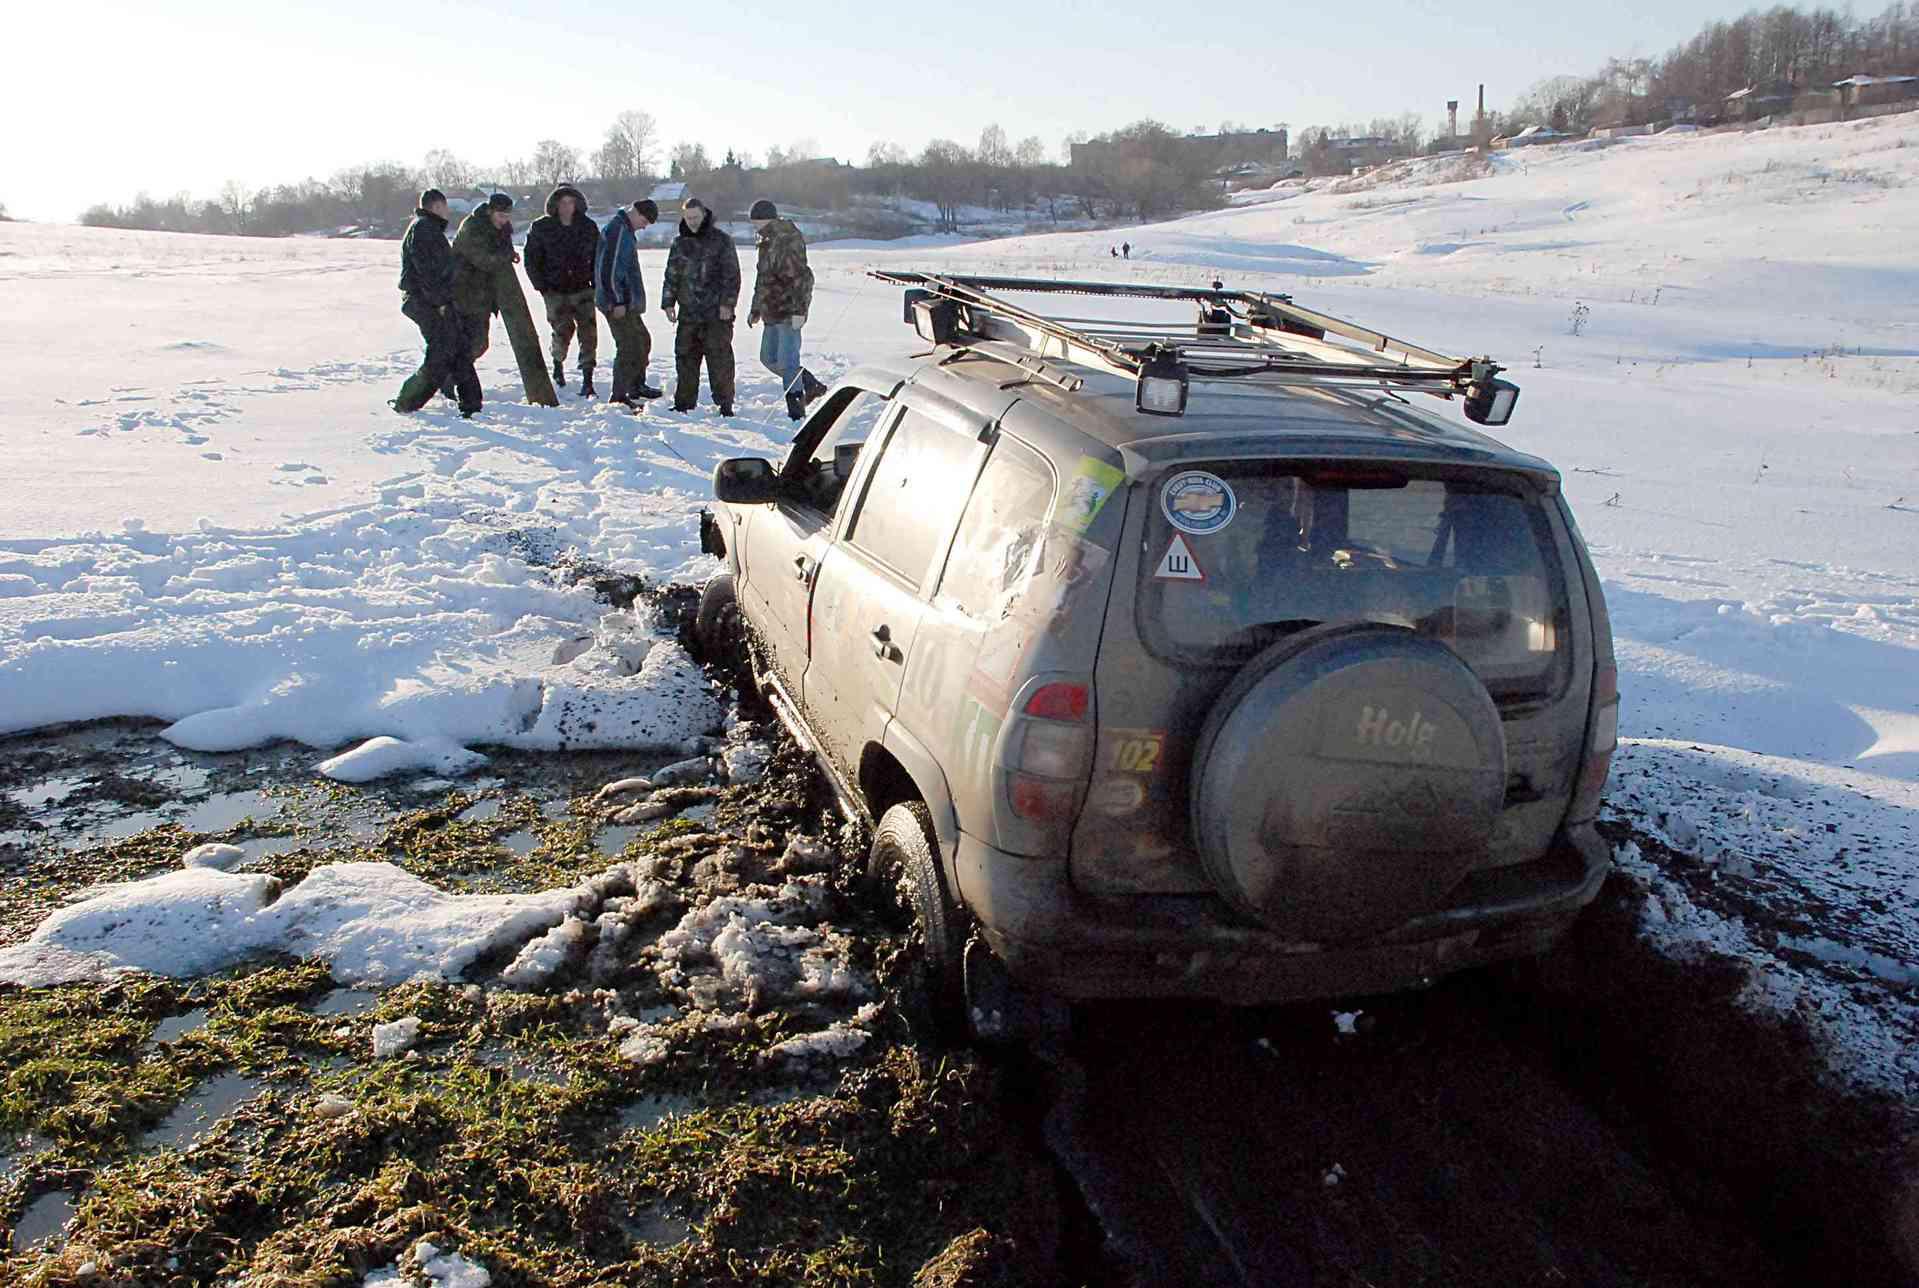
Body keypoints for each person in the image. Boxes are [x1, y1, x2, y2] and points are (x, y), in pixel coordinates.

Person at [391, 189, 481, 416]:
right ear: (437, 206)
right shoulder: (424, 229)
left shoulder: (426, 227)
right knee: (441, 353)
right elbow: (428, 273)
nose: (448, 211)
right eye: (445, 206)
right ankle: (407, 401)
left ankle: (472, 404)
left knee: (459, 349)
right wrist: (440, 303)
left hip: (434, 300)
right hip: (427, 302)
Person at [745, 199, 825, 421]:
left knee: (788, 362)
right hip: (771, 311)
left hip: (789, 310)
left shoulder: (788, 239)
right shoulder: (765, 241)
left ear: (766, 219)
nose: (754, 227)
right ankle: (810, 384)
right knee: (768, 358)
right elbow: (762, 279)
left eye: (755, 222)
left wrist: (800, 310)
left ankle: (796, 411)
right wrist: (755, 308)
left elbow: (803, 278)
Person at [661, 197, 741, 416]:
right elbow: (671, 275)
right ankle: (684, 403)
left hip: (716, 313)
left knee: (720, 360)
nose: (692, 222)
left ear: (704, 215)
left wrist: (728, 303)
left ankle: (725, 405)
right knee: (685, 358)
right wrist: (668, 302)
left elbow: (732, 275)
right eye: (688, 218)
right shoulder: (679, 243)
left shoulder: (722, 241)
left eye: (695, 217)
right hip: (689, 312)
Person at [525, 184, 601, 397]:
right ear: (555, 205)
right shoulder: (541, 228)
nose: (567, 207)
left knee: (589, 333)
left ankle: (588, 378)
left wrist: (596, 282)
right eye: (563, 203)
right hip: (555, 290)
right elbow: (531, 259)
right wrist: (541, 285)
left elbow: (597, 256)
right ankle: (558, 363)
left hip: (583, 288)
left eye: (571, 202)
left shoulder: (588, 227)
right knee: (562, 330)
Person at [594, 198, 663, 409]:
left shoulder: (624, 230)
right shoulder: (618, 231)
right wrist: (617, 301)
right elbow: (609, 269)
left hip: (626, 302)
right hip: (616, 302)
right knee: (628, 346)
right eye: (644, 220)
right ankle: (619, 395)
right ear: (635, 212)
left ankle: (636, 386)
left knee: (642, 340)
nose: (645, 226)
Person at [450, 193, 519, 373]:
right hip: (463, 294)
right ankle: (449, 377)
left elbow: (504, 249)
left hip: (482, 296)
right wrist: (507, 256)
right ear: (490, 212)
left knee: (478, 344)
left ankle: (453, 375)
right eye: (501, 216)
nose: (504, 220)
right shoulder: (472, 227)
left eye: (507, 216)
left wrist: (509, 253)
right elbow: (484, 260)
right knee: (468, 344)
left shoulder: (501, 229)